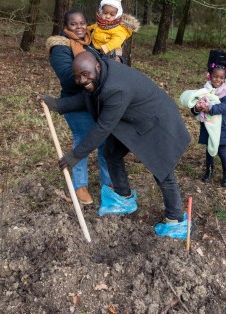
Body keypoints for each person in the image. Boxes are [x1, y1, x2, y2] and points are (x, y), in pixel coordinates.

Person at [40, 51, 192, 239]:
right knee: (111, 151)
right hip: (133, 119)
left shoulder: (115, 88)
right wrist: (57, 104)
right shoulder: (100, 74)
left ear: (96, 66)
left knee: (162, 169)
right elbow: (86, 97)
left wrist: (75, 155)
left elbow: (103, 128)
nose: (82, 80)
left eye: (85, 75)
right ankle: (124, 198)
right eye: (78, 77)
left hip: (158, 122)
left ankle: (175, 219)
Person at [46, 9, 112, 205]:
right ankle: (80, 186)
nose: (79, 27)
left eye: (82, 22)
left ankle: (108, 184)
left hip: (97, 99)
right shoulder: (60, 47)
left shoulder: (92, 42)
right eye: (73, 24)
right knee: (83, 140)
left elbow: (108, 64)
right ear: (65, 26)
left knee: (104, 140)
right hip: (75, 102)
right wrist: (98, 74)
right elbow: (68, 78)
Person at [181, 63, 226, 187]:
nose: (218, 80)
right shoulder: (205, 90)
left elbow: (225, 106)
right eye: (216, 76)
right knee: (209, 148)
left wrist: (210, 108)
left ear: (225, 78)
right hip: (207, 125)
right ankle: (209, 170)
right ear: (209, 76)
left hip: (222, 127)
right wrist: (197, 108)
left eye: (221, 77)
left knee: (221, 149)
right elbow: (194, 103)